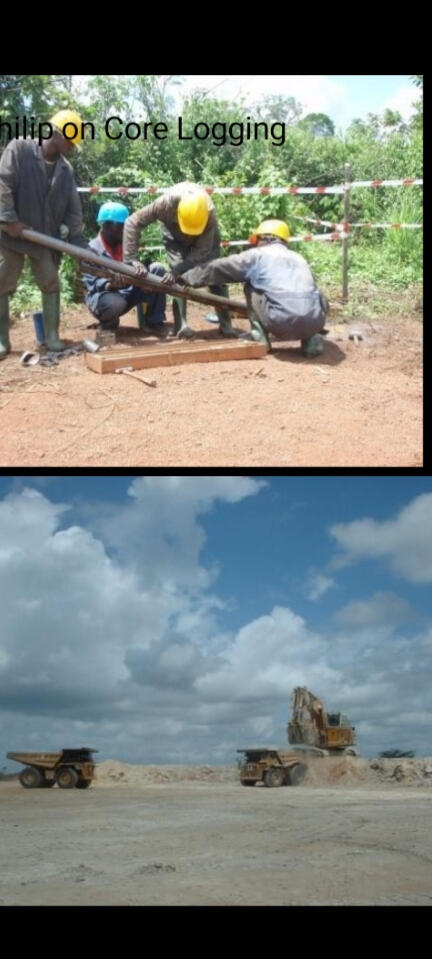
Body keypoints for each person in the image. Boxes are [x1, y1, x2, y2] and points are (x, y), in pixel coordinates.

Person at [0, 109, 89, 358]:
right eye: (70, 142)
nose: (70, 148)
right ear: (57, 134)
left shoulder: (65, 169)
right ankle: (2, 340)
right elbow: (3, 183)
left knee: (51, 283)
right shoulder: (19, 149)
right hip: (10, 234)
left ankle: (52, 337)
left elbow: (73, 211)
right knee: (2, 283)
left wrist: (79, 243)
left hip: (43, 238)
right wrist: (9, 219)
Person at [178, 219, 329, 356]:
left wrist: (186, 278)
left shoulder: (257, 255)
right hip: (314, 322)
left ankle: (259, 338)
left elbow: (218, 268)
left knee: (251, 286)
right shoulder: (299, 258)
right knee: (314, 293)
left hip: (280, 321)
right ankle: (312, 343)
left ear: (263, 238)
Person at [122, 181, 237, 339]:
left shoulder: (209, 213)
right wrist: (131, 258)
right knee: (176, 274)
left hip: (205, 235)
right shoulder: (165, 204)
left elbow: (201, 252)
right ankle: (181, 325)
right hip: (172, 232)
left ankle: (226, 325)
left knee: (215, 272)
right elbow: (132, 222)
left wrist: (179, 271)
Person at [82, 202, 167, 333]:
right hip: (106, 298)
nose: (125, 231)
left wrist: (143, 278)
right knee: (115, 302)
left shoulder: (126, 244)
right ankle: (108, 322)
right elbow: (93, 286)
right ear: (107, 225)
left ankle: (154, 322)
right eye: (122, 227)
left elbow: (137, 268)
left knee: (158, 270)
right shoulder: (92, 251)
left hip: (129, 290)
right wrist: (112, 285)